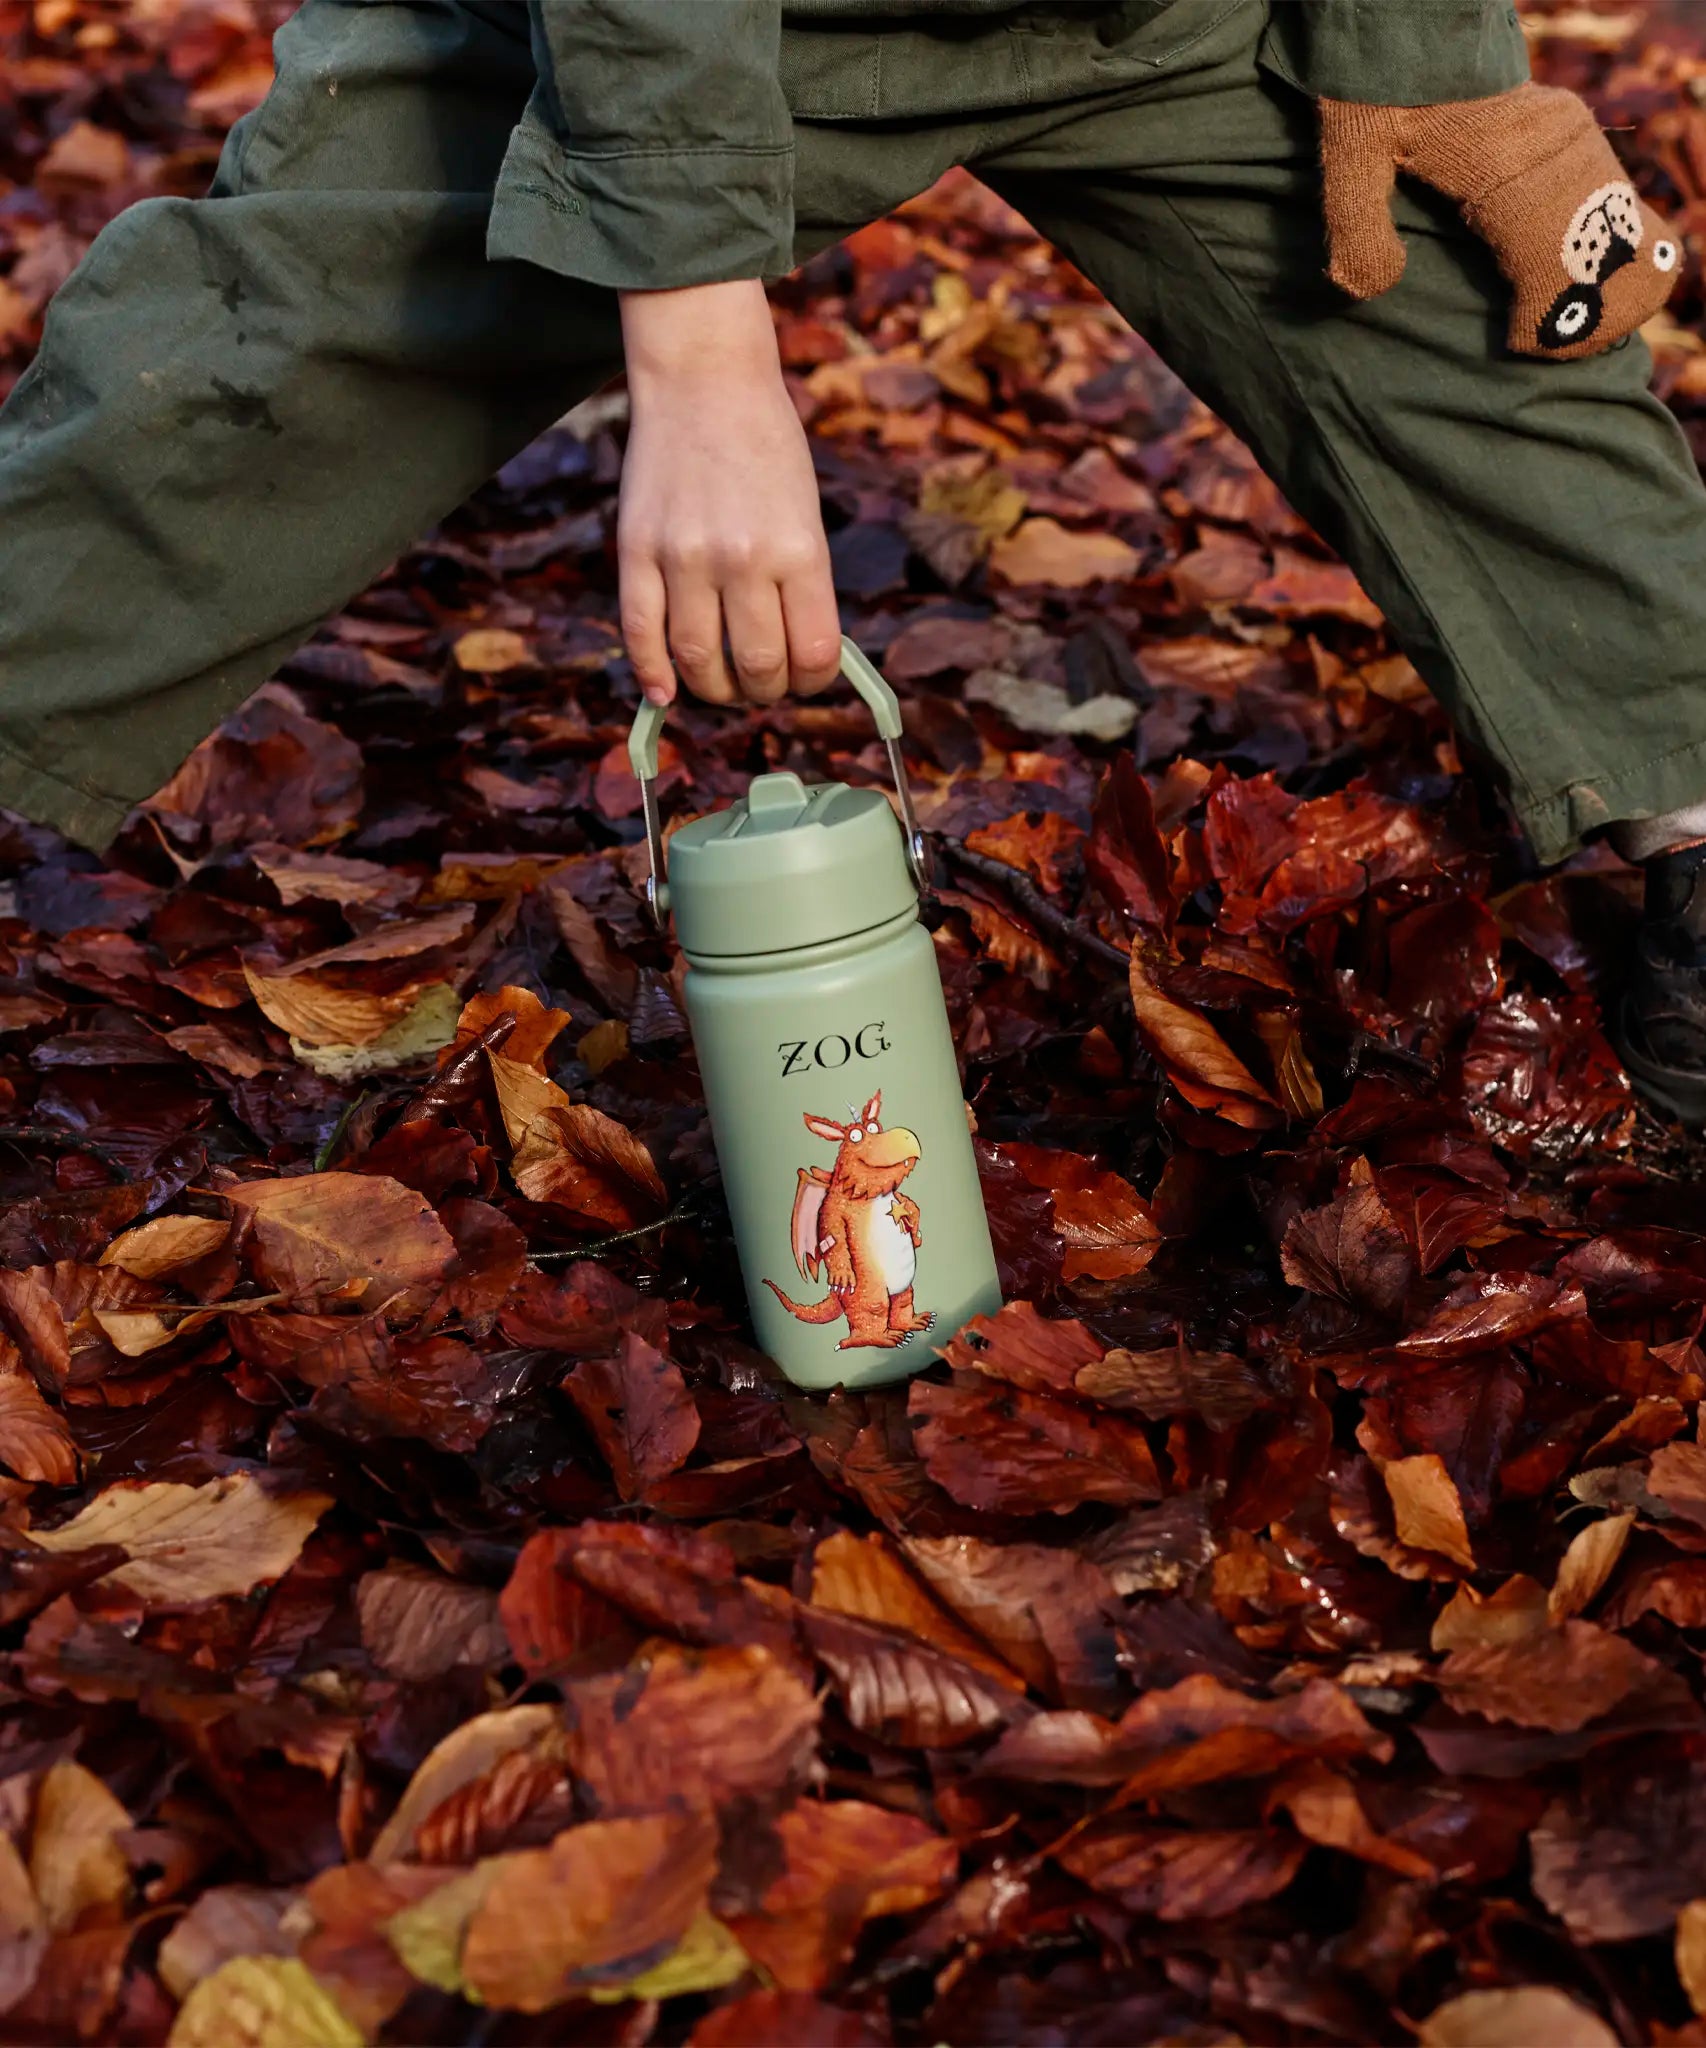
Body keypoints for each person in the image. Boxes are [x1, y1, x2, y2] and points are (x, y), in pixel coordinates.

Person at [3, 0, 1706, 1114]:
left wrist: (1425, 66)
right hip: (678, 26)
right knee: (242, 385)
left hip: (1181, 18)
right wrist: (697, 342)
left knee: (1513, 381)